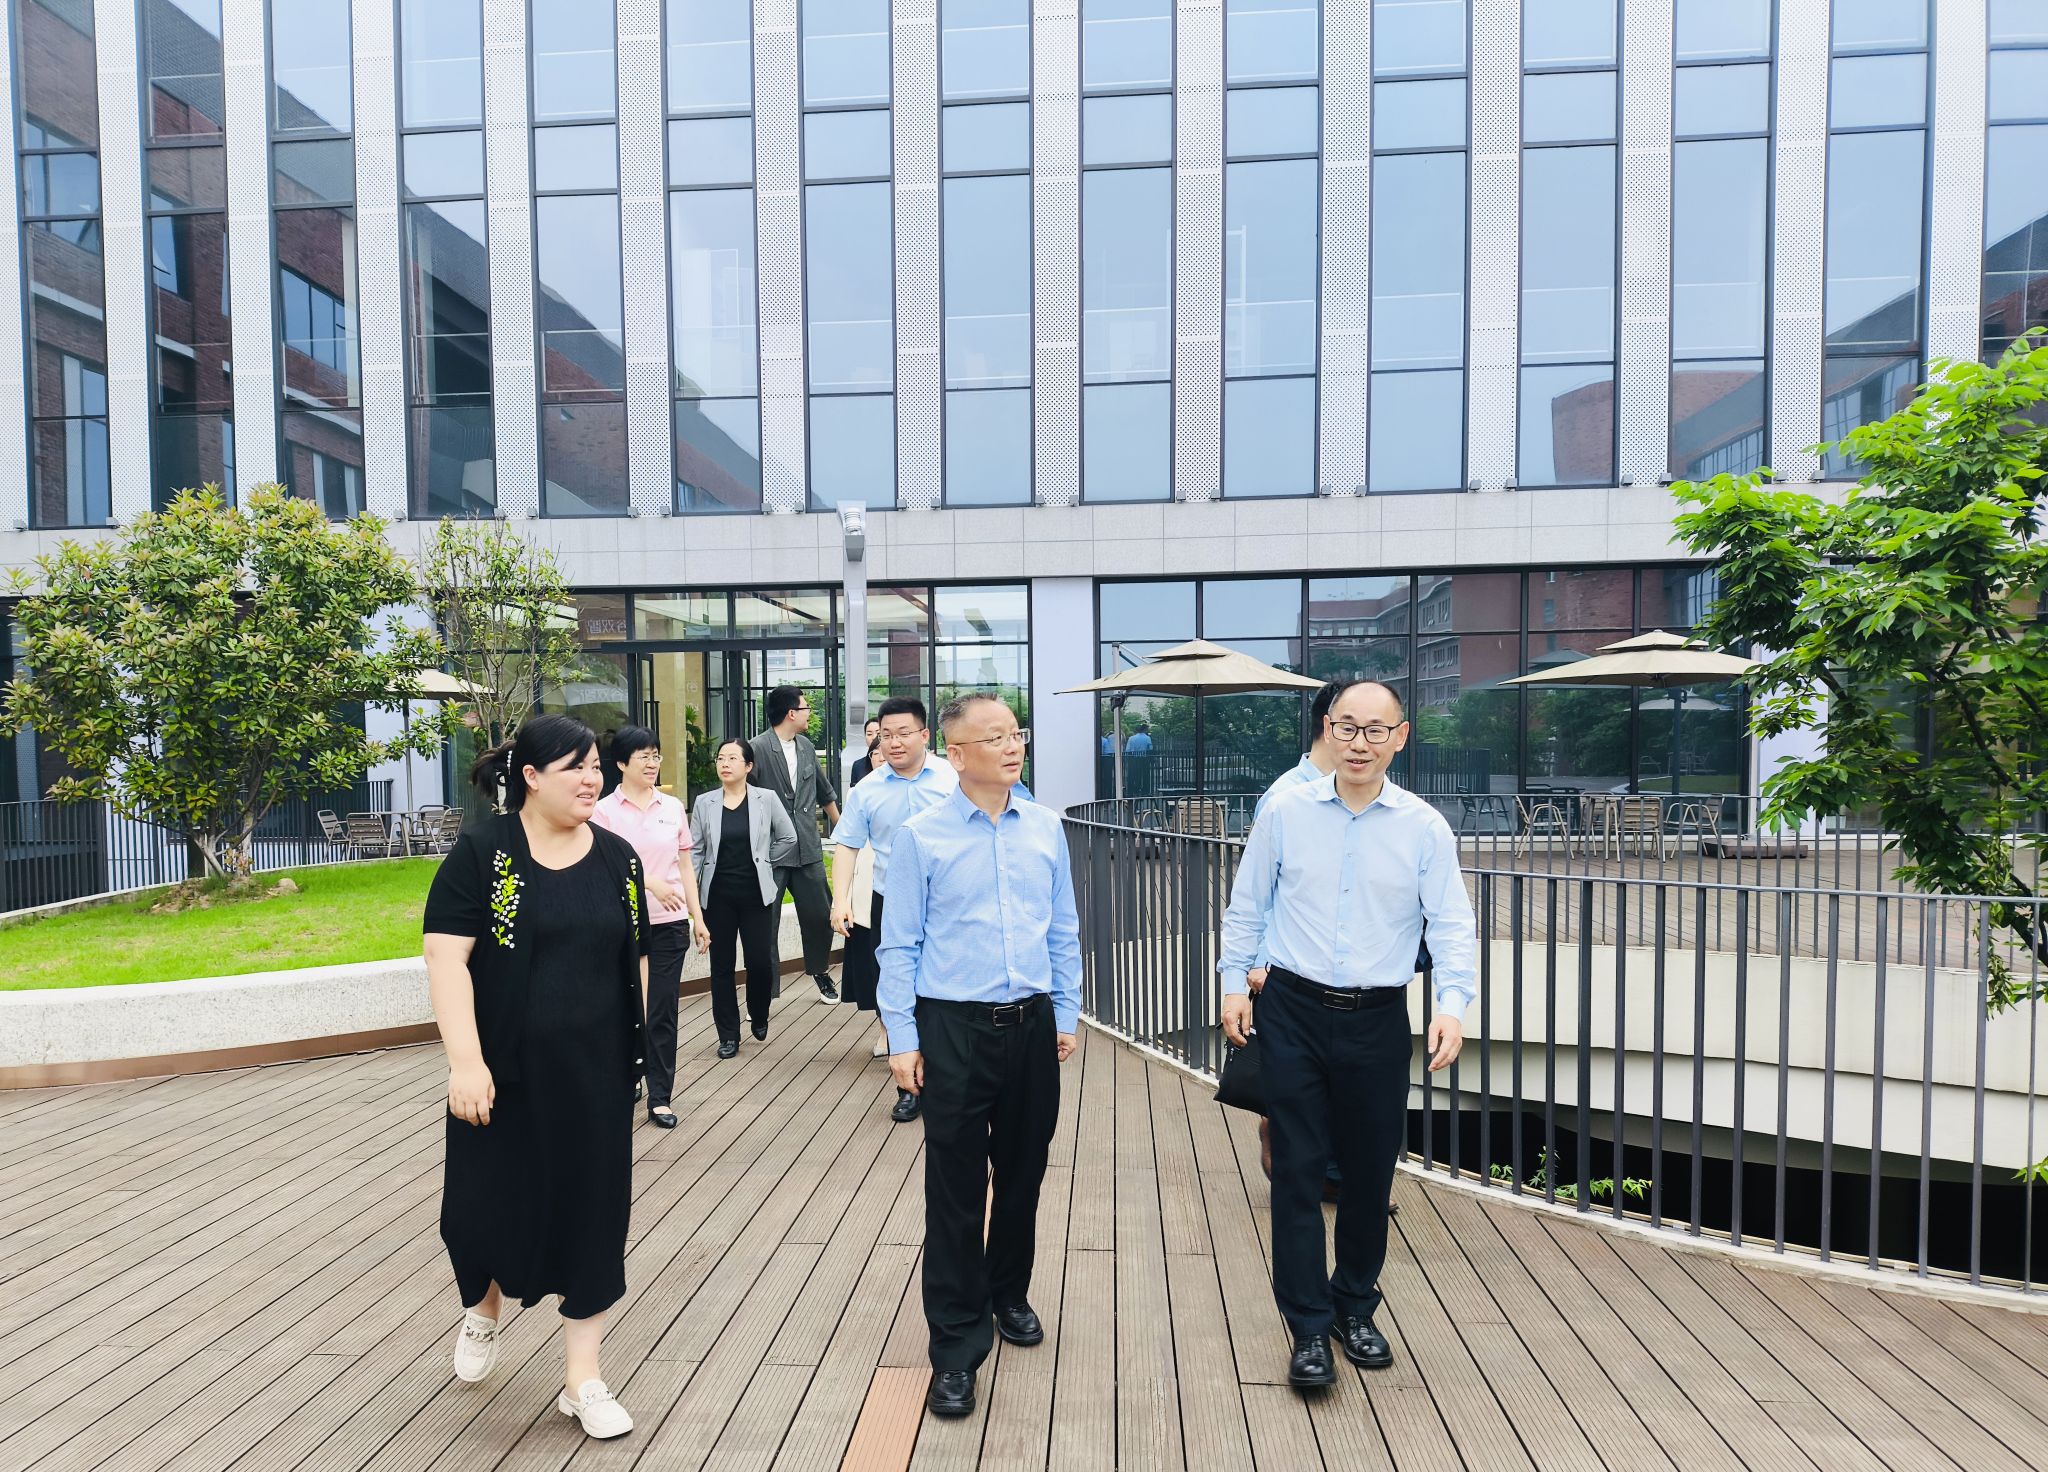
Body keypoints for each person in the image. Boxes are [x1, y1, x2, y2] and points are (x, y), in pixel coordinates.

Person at [1216, 679, 1477, 1392]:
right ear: (1328, 730)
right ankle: (1306, 1326)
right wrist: (1233, 984)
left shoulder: (1423, 827)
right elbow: (1248, 904)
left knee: (1368, 1173)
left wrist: (1451, 1004)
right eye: (1347, 727)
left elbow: (1451, 923)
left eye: (1375, 729)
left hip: (1377, 1018)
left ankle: (1353, 1306)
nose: (1359, 742)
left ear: (1401, 737)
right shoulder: (1285, 811)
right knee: (1298, 1171)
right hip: (1292, 1010)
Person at [423, 714, 647, 1440]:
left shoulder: (618, 859)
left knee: (593, 1217)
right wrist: (466, 1062)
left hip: (595, 1078)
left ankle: (583, 1380)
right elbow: (446, 959)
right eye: (575, 767)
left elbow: (636, 957)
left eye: (596, 767)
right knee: (477, 1212)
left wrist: (639, 1054)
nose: (592, 779)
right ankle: (483, 1304)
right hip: (502, 1077)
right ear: (530, 777)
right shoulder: (483, 854)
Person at [879, 694, 1080, 1420]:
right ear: (957, 755)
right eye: (993, 738)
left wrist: (1065, 1011)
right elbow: (898, 945)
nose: (1012, 746)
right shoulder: (921, 837)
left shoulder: (1046, 827)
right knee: (956, 1192)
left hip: (1031, 1024)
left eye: (1015, 733)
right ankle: (956, 1348)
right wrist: (903, 1038)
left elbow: (1062, 928)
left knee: (1023, 1174)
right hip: (953, 1028)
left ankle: (1007, 1292)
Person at [829, 696, 956, 1122]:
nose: (894, 742)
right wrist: (840, 900)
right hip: (891, 900)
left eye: (904, 733)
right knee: (895, 986)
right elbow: (847, 846)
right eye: (886, 735)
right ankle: (909, 1088)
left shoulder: (953, 778)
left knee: (941, 988)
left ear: (925, 735)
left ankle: (945, 1076)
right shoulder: (867, 789)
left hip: (947, 900)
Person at [590, 726, 707, 1129]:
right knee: (624, 1007)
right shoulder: (603, 812)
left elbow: (685, 866)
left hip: (669, 925)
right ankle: (631, 1074)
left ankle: (660, 1096)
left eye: (656, 755)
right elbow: (602, 867)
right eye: (643, 756)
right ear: (622, 763)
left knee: (661, 1010)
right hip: (620, 926)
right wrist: (648, 882)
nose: (652, 763)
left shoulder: (672, 807)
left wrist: (697, 917)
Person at [692, 739, 800, 1057]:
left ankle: (759, 1011)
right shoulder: (704, 803)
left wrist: (765, 860)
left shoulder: (766, 799)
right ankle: (728, 1035)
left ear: (748, 766)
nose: (725, 763)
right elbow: (696, 850)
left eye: (732, 758)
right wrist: (691, 893)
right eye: (720, 758)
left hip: (756, 896)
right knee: (721, 967)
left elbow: (789, 837)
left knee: (759, 962)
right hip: (718, 897)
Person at [749, 687, 842, 1002]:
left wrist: (843, 829)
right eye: (805, 708)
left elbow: (824, 791)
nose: (808, 713)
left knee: (819, 916)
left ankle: (819, 970)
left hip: (807, 849)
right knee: (766, 923)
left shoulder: (806, 746)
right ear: (791, 713)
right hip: (770, 853)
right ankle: (765, 991)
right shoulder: (757, 748)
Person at [850, 718, 882, 787]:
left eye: (878, 733)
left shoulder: (893, 761)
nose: (874, 737)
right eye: (869, 734)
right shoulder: (858, 765)